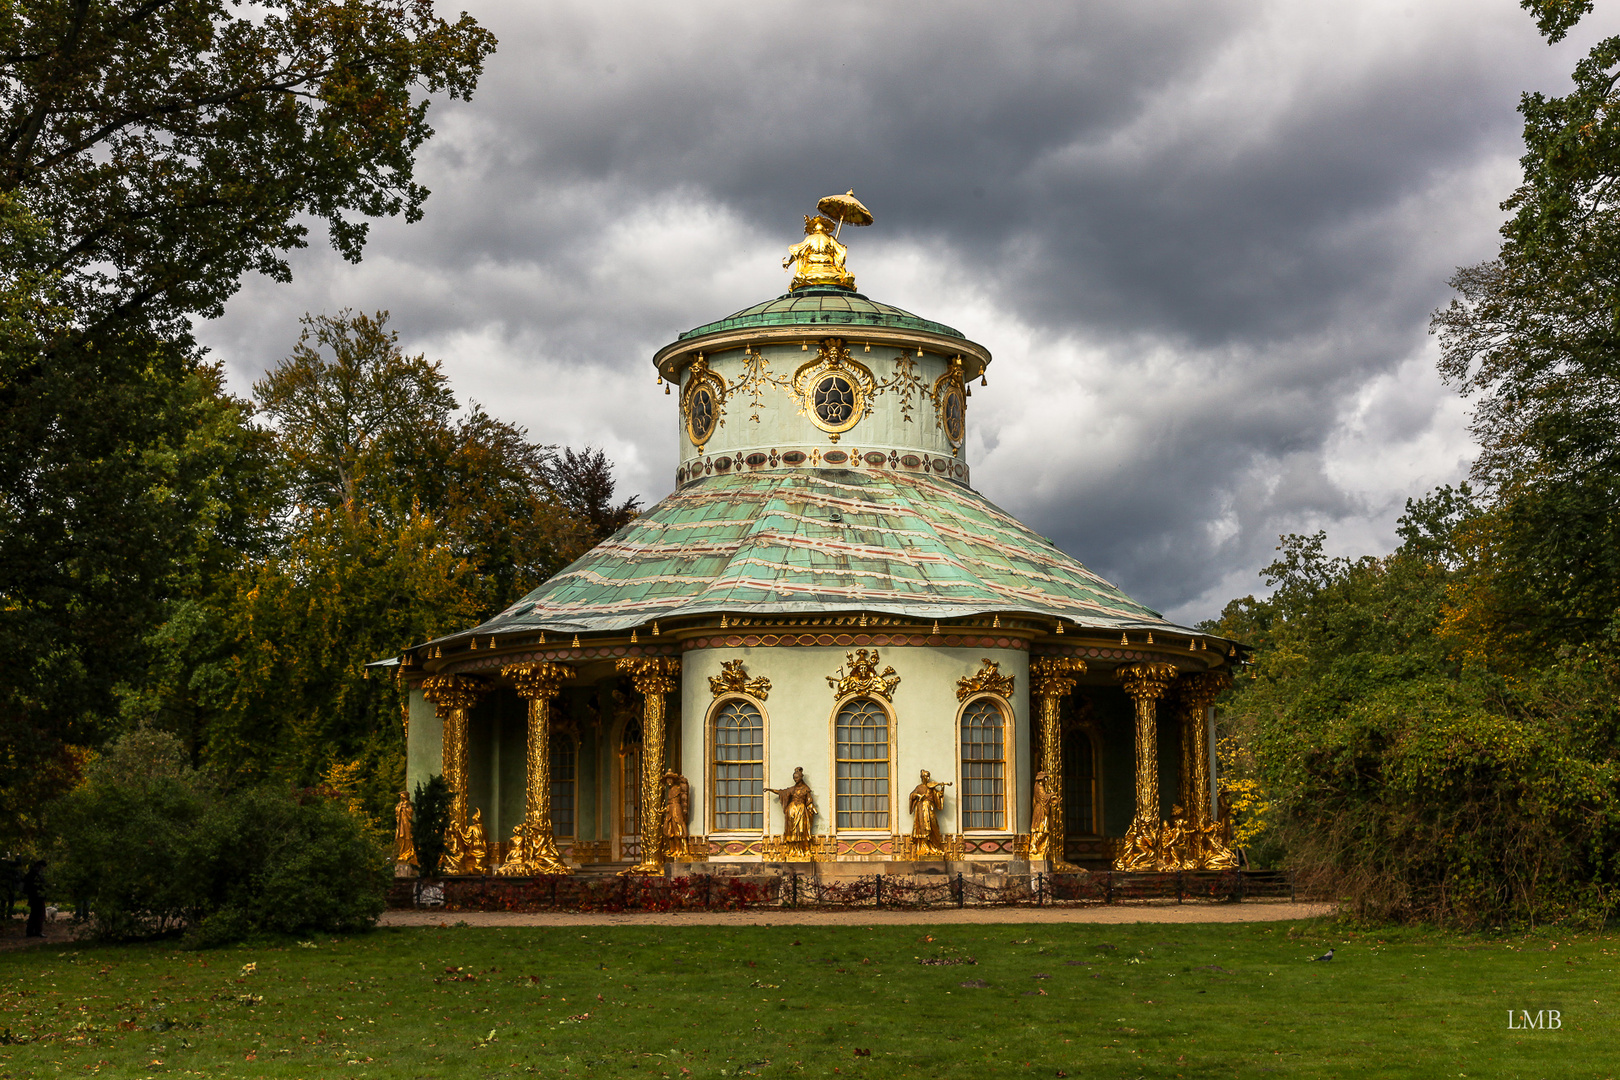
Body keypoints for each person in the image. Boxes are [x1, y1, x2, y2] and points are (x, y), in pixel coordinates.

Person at [783, 215, 854, 289]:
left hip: (811, 269)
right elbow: (841, 250)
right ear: (825, 229)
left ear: (814, 229)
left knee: (800, 278)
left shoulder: (810, 238)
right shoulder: (830, 239)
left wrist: (788, 262)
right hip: (830, 270)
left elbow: (797, 250)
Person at [767, 767, 818, 859]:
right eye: (794, 778)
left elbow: (809, 801)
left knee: (801, 831)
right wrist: (769, 789)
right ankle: (792, 850)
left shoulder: (806, 789)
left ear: (801, 777)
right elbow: (781, 792)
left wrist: (812, 808)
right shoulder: (792, 789)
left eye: (797, 777)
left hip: (801, 811)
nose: (795, 779)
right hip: (791, 811)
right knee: (791, 831)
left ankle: (802, 850)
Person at [908, 770, 952, 859]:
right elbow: (912, 795)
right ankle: (924, 848)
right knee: (923, 827)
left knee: (933, 826)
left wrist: (942, 788)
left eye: (928, 776)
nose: (927, 778)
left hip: (930, 809)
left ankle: (934, 847)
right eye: (925, 776)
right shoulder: (919, 787)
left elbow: (938, 796)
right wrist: (918, 796)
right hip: (921, 809)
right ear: (922, 777)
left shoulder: (932, 788)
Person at [1029, 770, 1053, 861]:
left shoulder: (1040, 787)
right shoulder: (1039, 787)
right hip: (1041, 810)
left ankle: (1038, 847)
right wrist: (1051, 795)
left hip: (1041, 809)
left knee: (1044, 829)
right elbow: (1044, 798)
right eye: (1045, 778)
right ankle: (1034, 845)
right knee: (1041, 828)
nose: (1046, 780)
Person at [662, 771, 691, 840]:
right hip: (670, 809)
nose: (668, 781)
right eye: (667, 779)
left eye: (670, 779)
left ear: (673, 780)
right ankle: (674, 845)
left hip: (676, 808)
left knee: (678, 822)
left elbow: (684, 799)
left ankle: (683, 838)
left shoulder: (678, 788)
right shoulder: (669, 790)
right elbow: (669, 802)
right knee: (669, 825)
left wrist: (684, 809)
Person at [393, 791, 416, 867]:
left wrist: (405, 808)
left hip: (406, 823)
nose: (401, 797)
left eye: (402, 796)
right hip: (401, 823)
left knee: (408, 837)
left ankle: (408, 853)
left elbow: (411, 811)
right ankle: (402, 853)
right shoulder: (400, 804)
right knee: (401, 837)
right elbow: (396, 811)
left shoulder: (409, 804)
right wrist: (400, 809)